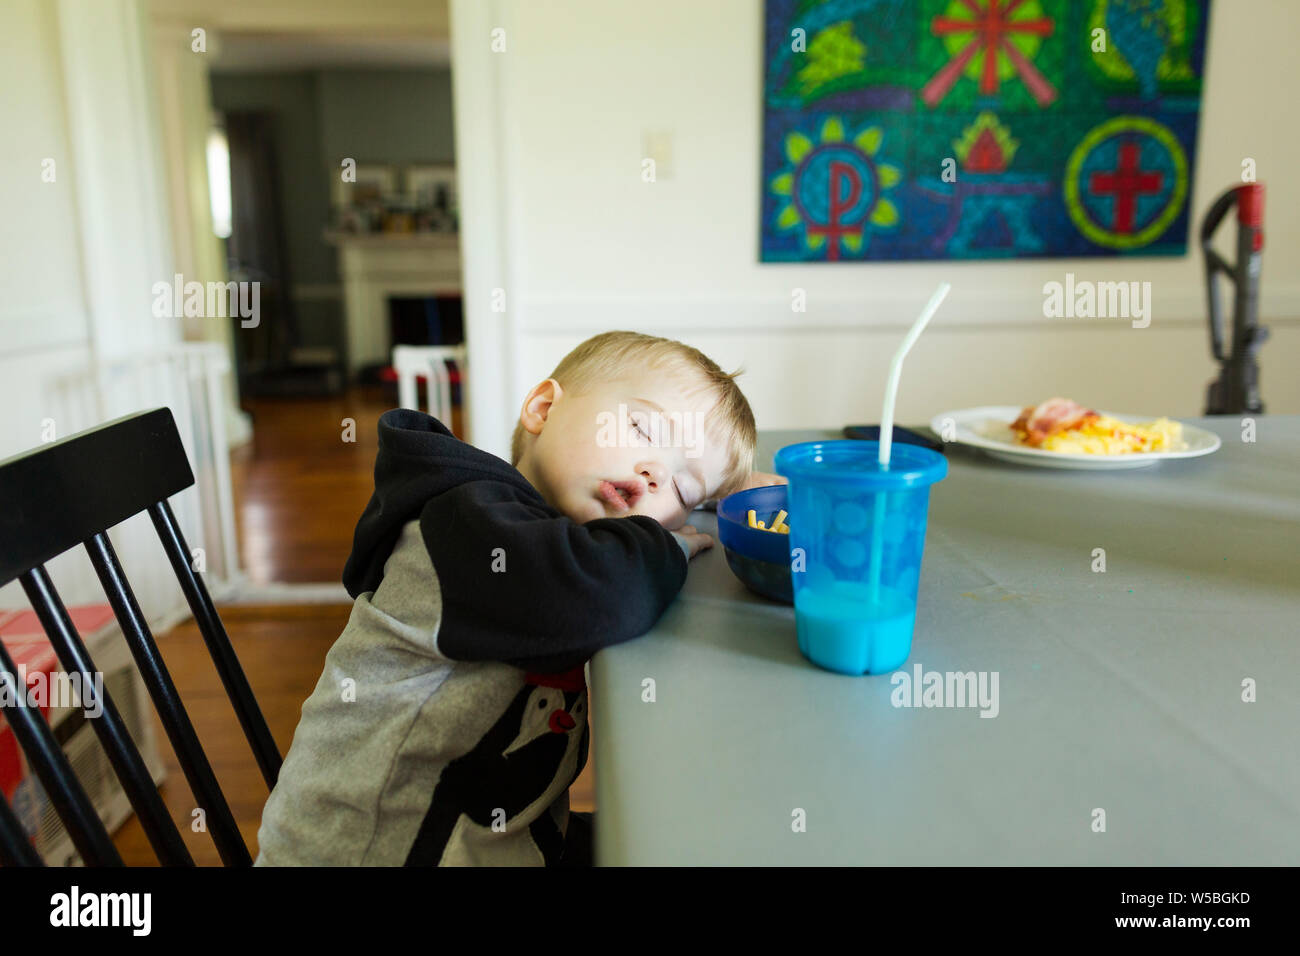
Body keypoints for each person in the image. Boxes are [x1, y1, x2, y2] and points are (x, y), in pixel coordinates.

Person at [254, 330, 781, 866]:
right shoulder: (465, 524)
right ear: (543, 407)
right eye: (643, 428)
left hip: (488, 828)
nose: (655, 473)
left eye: (684, 489)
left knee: (682, 834)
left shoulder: (525, 524)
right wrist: (661, 542)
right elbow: (603, 595)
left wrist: (730, 500)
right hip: (375, 849)